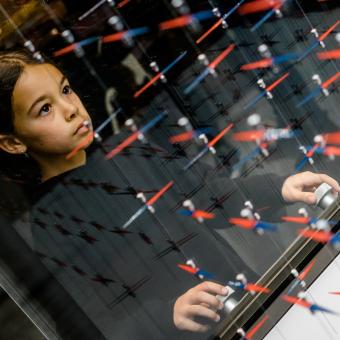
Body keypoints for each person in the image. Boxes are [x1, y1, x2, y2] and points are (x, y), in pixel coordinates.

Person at [0, 50, 339, 339]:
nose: (70, 108)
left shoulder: (126, 153)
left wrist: (278, 188)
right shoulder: (52, 221)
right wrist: (167, 317)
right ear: (13, 142)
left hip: (253, 309)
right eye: (44, 108)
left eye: (66, 90)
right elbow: (92, 323)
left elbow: (206, 194)